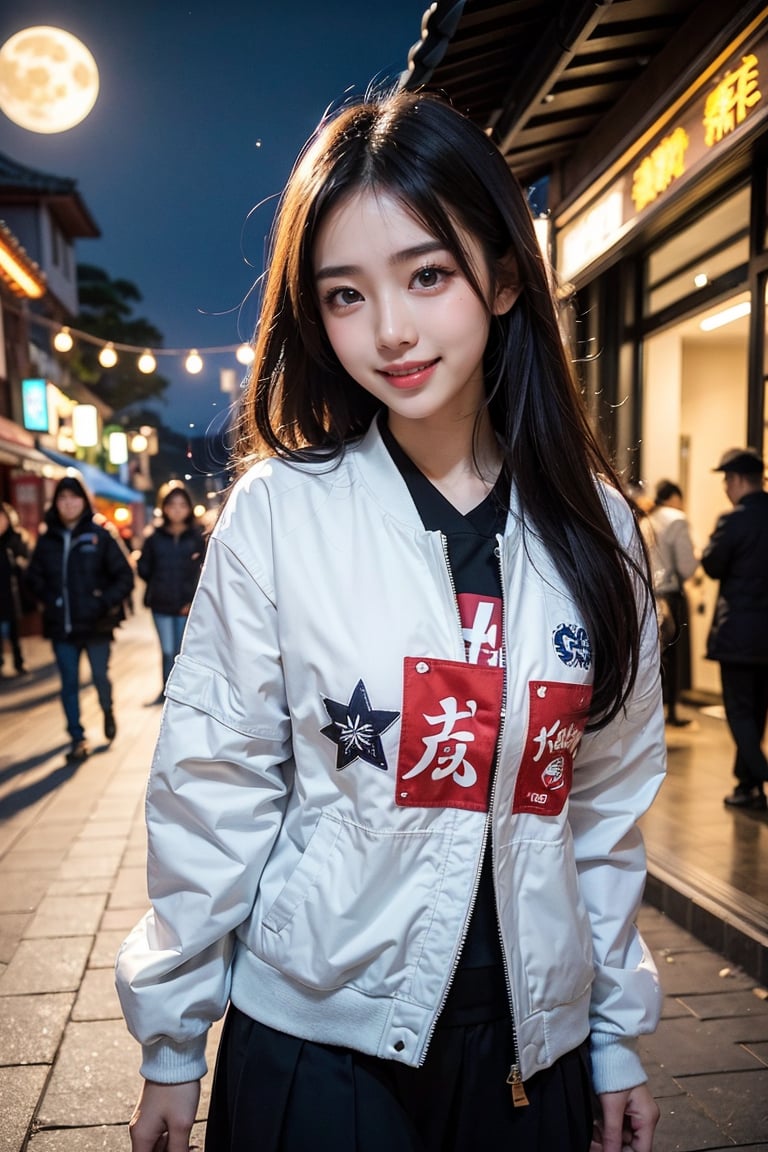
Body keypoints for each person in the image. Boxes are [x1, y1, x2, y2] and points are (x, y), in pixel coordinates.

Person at [116, 90, 666, 1152]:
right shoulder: (281, 513)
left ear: (504, 276)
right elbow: (213, 782)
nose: (392, 330)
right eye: (345, 295)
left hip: (528, 1052)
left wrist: (615, 1034)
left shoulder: (599, 530)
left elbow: (600, 807)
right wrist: (174, 1042)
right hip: (317, 1045)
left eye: (427, 274)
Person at [25, 474, 134, 761]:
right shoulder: (48, 538)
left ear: (84, 500)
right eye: (63, 497)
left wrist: (103, 602)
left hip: (97, 624)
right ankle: (77, 738)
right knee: (69, 684)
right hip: (62, 626)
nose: (69, 503)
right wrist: (52, 599)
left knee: (100, 676)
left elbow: (124, 575)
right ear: (55, 502)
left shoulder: (100, 534)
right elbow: (32, 578)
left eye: (74, 497)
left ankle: (107, 710)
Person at [701, 447, 768, 810]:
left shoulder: (735, 520)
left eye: (727, 480)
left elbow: (711, 564)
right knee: (758, 712)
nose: (726, 488)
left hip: (739, 633)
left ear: (739, 480)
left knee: (740, 711)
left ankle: (760, 773)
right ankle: (747, 786)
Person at [137, 481, 206, 703]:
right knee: (167, 649)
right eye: (172, 504)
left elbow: (204, 572)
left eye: (182, 504)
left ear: (189, 507)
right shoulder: (154, 537)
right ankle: (168, 690)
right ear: (164, 507)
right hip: (161, 604)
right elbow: (144, 568)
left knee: (183, 651)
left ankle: (182, 693)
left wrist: (191, 598)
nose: (177, 509)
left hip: (188, 605)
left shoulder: (198, 537)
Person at [647, 481, 698, 727]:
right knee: (675, 657)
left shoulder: (646, 519)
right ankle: (673, 712)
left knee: (653, 657)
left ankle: (652, 712)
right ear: (674, 497)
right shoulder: (676, 519)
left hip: (647, 596)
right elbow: (687, 566)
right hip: (671, 596)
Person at [0, 501, 30, 676]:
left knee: (13, 631)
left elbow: (27, 563)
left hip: (12, 592)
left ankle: (18, 662)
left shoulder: (16, 538)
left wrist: (18, 563)